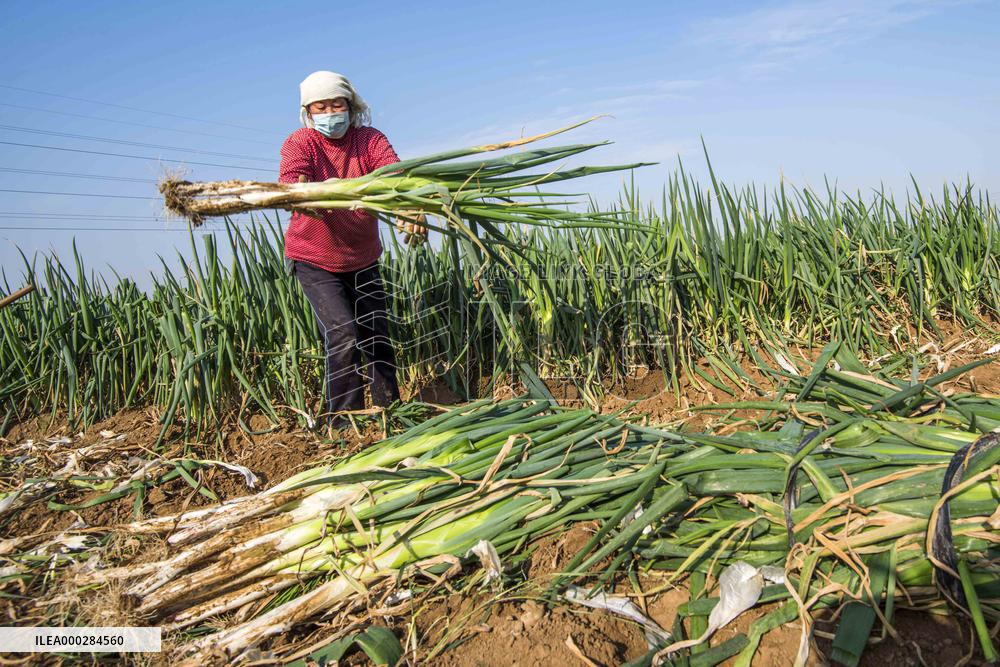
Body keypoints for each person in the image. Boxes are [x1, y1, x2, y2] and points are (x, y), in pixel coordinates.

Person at [279, 70, 425, 433]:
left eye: (337, 104)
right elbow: (291, 190)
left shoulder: (369, 140)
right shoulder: (300, 143)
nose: (330, 112)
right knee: (343, 332)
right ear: (309, 113)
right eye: (320, 107)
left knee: (376, 331)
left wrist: (412, 205)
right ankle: (343, 424)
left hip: (362, 257)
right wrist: (320, 192)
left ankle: (392, 412)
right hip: (314, 257)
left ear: (351, 106)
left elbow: (395, 177)